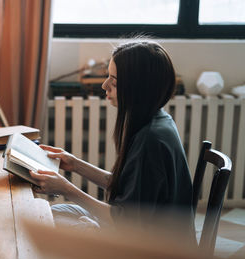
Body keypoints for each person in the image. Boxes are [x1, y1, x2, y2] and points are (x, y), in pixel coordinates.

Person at [29, 39, 195, 236]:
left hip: (152, 250)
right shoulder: (158, 119)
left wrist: (67, 189)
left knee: (41, 225)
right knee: (43, 214)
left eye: (113, 82)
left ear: (137, 88)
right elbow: (127, 186)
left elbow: (126, 221)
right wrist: (74, 164)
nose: (104, 85)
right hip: (138, 234)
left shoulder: (151, 140)